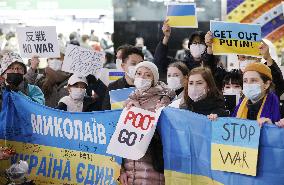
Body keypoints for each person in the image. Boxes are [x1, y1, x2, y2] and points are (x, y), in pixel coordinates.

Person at [120, 61, 175, 185]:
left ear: (154, 79)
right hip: (130, 167)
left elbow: (163, 134)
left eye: (147, 75)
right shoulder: (128, 101)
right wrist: (122, 168)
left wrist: (140, 113)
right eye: (139, 74)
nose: (142, 78)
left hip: (152, 165)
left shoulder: (163, 101)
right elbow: (121, 138)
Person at [154, 20, 222, 87]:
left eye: (201, 43)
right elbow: (159, 61)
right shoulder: (183, 65)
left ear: (206, 46)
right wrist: (166, 37)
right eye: (194, 43)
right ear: (190, 47)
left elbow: (209, 63)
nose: (197, 46)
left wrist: (210, 46)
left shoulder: (213, 65)